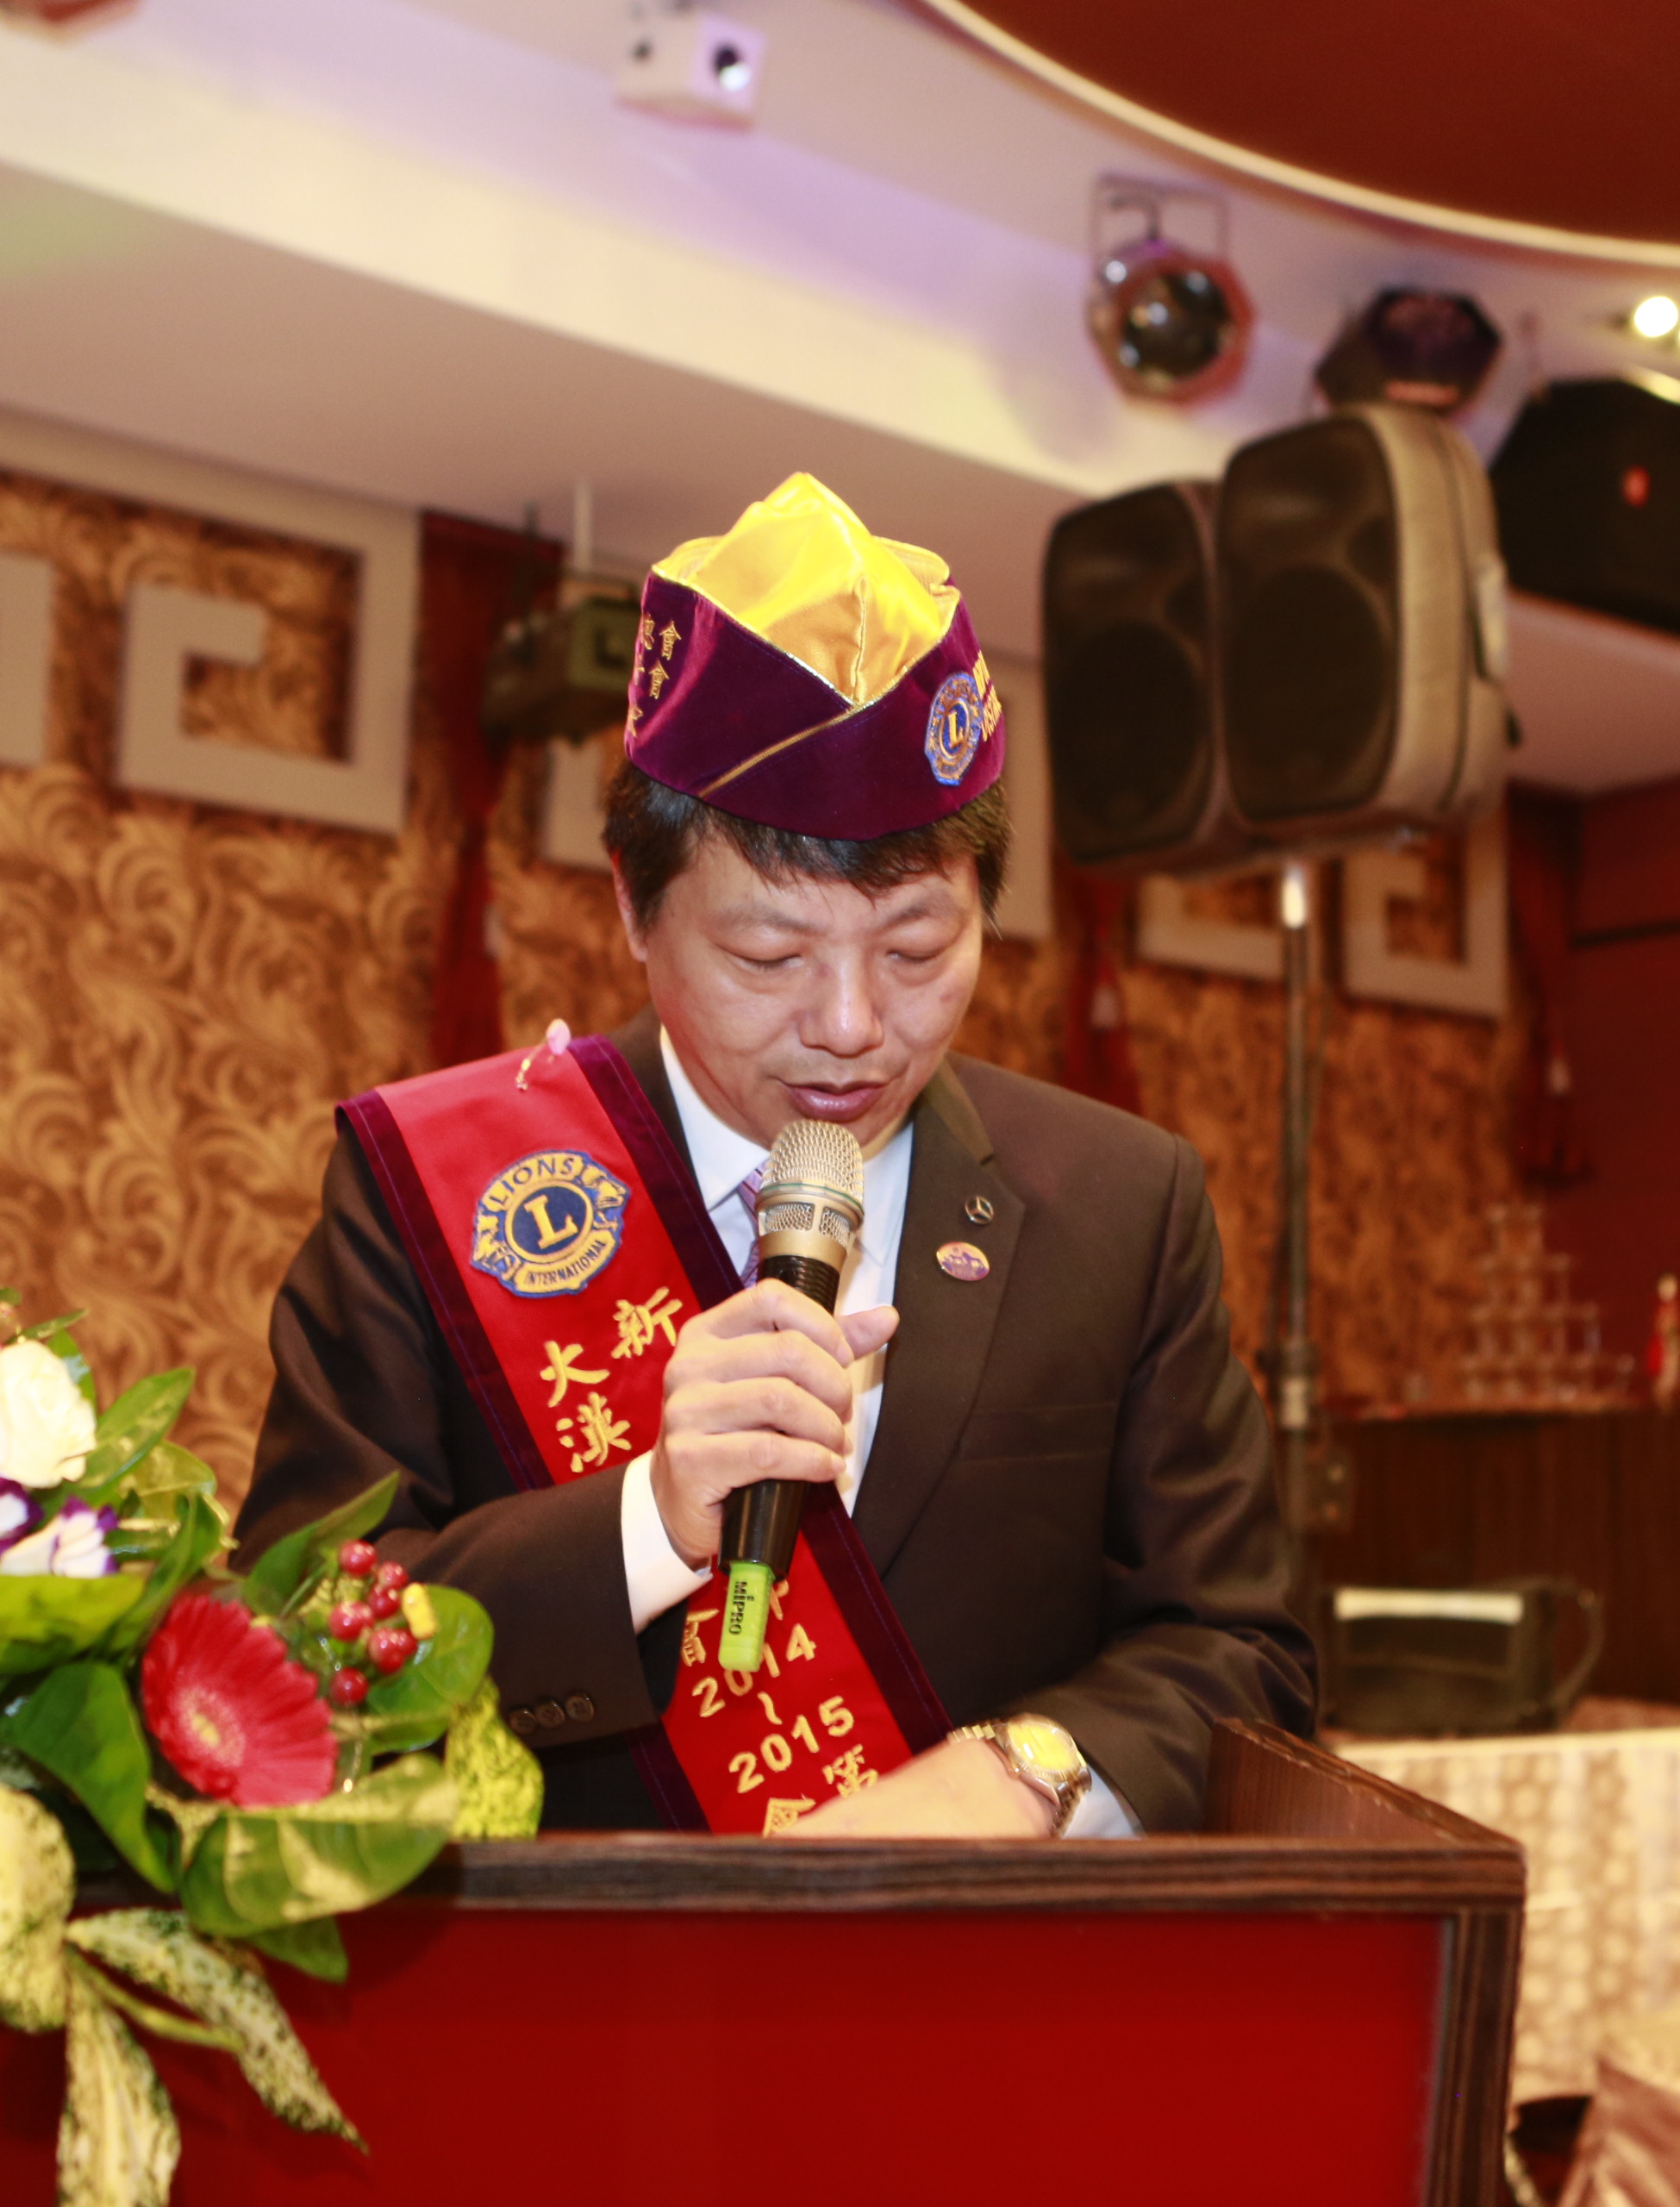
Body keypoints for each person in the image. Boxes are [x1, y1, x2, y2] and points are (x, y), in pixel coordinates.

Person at [242, 474, 1312, 1837]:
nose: (852, 1026)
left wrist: (1014, 1782)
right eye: (767, 954)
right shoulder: (432, 1190)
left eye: (919, 949)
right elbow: (295, 1644)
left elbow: (1238, 1652)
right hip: (572, 1954)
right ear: (632, 906)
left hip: (984, 1951)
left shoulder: (1118, 1203)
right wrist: (647, 1521)